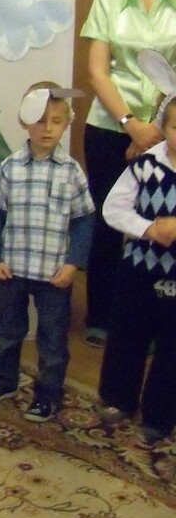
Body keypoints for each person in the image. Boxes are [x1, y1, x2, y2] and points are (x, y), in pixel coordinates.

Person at [81, 0, 176, 349]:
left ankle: (150, 319)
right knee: (109, 220)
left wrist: (154, 130)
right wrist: (130, 124)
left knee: (157, 223)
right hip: (109, 126)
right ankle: (101, 316)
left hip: (165, 134)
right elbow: (98, 72)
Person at [0, 83, 95, 422]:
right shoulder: (9, 167)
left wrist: (73, 264)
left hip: (54, 274)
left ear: (67, 123)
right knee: (7, 331)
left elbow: (85, 219)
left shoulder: (71, 172)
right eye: (40, 120)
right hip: (11, 270)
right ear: (24, 121)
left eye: (56, 121)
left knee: (52, 339)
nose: (47, 129)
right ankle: (4, 381)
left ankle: (48, 395)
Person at [99, 49, 176, 445]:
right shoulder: (145, 165)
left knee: (172, 350)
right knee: (128, 334)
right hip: (139, 269)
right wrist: (148, 229)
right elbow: (113, 209)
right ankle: (118, 398)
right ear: (163, 125)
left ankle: (160, 414)